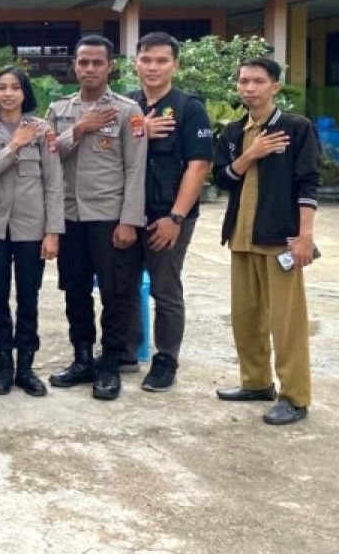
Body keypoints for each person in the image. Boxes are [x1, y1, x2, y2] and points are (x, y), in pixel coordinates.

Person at [213, 56, 320, 426]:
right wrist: (250, 154)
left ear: (274, 86)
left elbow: (308, 184)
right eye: (243, 81)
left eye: (257, 81)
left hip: (280, 239)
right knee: (246, 317)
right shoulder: (232, 132)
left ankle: (295, 396)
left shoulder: (295, 128)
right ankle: (256, 383)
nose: (248, 88)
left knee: (286, 322)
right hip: (242, 237)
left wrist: (304, 237)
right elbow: (223, 178)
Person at [45, 35, 146, 400]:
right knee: (75, 292)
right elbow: (50, 157)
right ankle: (83, 358)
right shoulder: (59, 110)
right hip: (70, 217)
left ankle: (110, 365)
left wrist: (129, 220)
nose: (89, 69)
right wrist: (81, 128)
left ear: (109, 66)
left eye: (97, 63)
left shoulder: (127, 111)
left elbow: (135, 169)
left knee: (116, 294)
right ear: (74, 65)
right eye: (83, 62)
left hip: (109, 217)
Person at [126, 33, 213, 392]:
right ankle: (125, 352)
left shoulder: (188, 107)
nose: (153, 67)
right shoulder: (129, 105)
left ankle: (165, 360)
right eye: (146, 60)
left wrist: (176, 217)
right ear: (136, 63)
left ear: (175, 64)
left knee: (164, 289)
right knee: (124, 286)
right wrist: (139, 131)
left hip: (168, 216)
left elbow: (199, 166)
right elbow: (111, 151)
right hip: (130, 213)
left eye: (161, 60)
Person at [0, 67, 63, 397]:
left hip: (32, 228)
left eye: (15, 87)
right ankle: (3, 366)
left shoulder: (42, 130)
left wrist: (53, 231)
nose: (8, 93)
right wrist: (12, 146)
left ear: (25, 93)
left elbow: (53, 184)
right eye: (1, 88)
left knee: (28, 297)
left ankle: (25, 367)